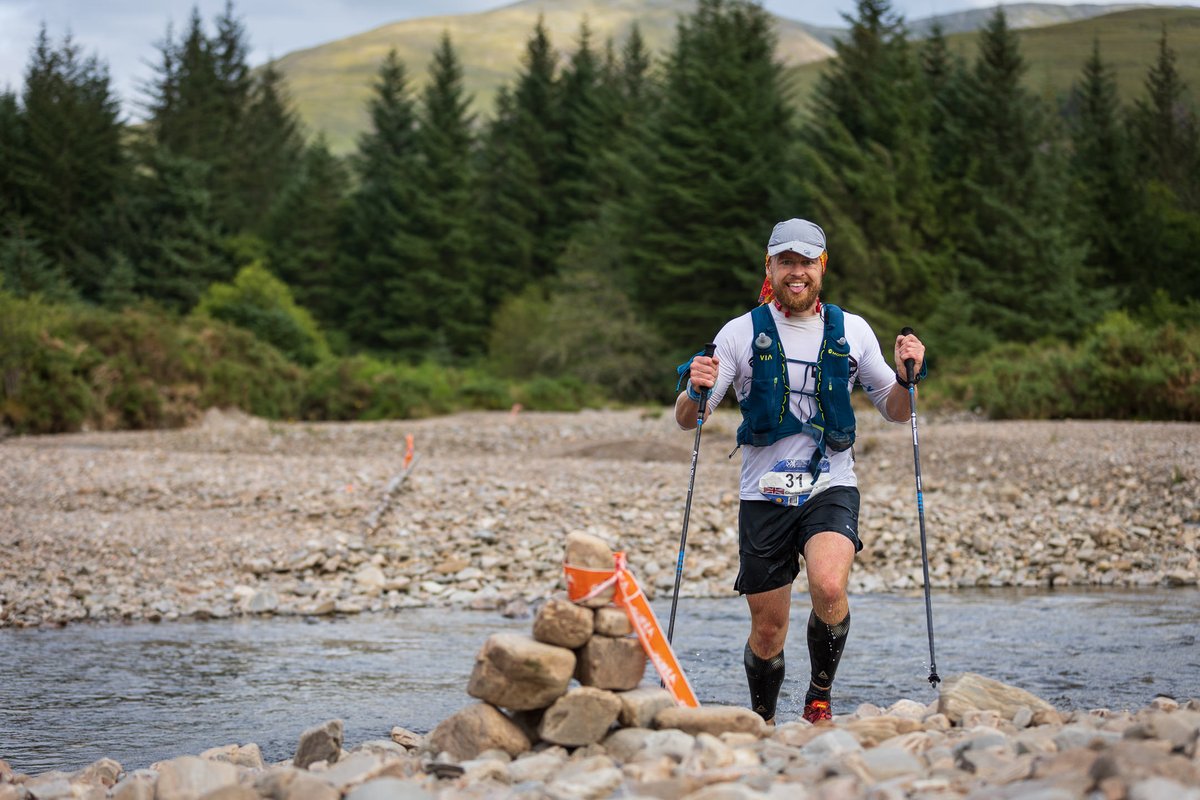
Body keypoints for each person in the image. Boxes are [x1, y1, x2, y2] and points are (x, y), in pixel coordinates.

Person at [675, 218, 926, 724]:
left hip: (830, 482)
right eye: (785, 261)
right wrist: (693, 390)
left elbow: (895, 409)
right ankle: (762, 721)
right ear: (769, 266)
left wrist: (907, 377)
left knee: (829, 587)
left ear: (822, 267)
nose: (796, 272)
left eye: (806, 262)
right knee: (769, 631)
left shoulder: (852, 330)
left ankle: (818, 698)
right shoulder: (739, 333)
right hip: (763, 494)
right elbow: (692, 419)